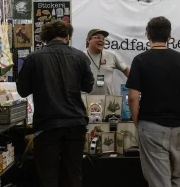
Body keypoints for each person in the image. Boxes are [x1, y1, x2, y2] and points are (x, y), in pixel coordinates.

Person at [17, 21, 94, 187]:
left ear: (45, 38)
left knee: (48, 176)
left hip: (47, 124)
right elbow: (88, 87)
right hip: (75, 122)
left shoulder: (33, 58)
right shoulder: (80, 57)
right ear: (68, 36)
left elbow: (22, 91)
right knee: (74, 174)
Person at [126, 16, 180, 187]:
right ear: (169, 36)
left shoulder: (140, 60)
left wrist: (137, 121)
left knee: (159, 179)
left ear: (148, 35)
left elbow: (133, 97)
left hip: (152, 125)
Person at [86, 29, 130, 95]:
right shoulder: (81, 56)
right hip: (86, 101)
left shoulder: (112, 55)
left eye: (103, 39)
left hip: (108, 102)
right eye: (98, 37)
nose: (101, 40)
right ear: (89, 40)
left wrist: (136, 87)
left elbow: (126, 70)